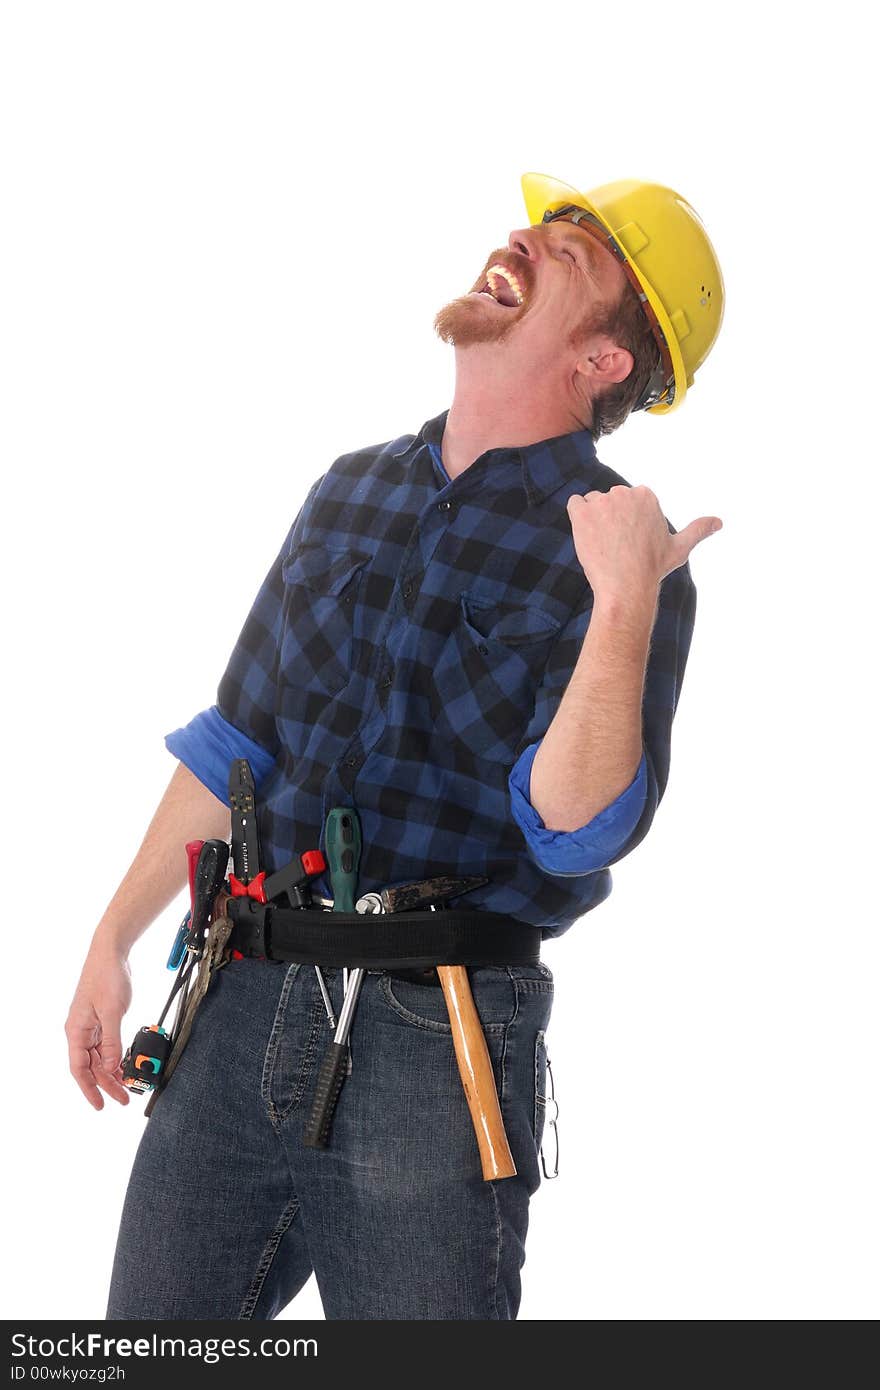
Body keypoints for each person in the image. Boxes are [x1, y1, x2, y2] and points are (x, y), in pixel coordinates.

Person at [66, 171, 725, 1321]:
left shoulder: (625, 551)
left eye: (574, 252)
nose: (525, 235)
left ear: (603, 359)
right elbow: (239, 741)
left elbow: (574, 830)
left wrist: (620, 605)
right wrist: (112, 938)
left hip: (432, 1033)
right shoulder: (349, 491)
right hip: (238, 997)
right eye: (536, 224)